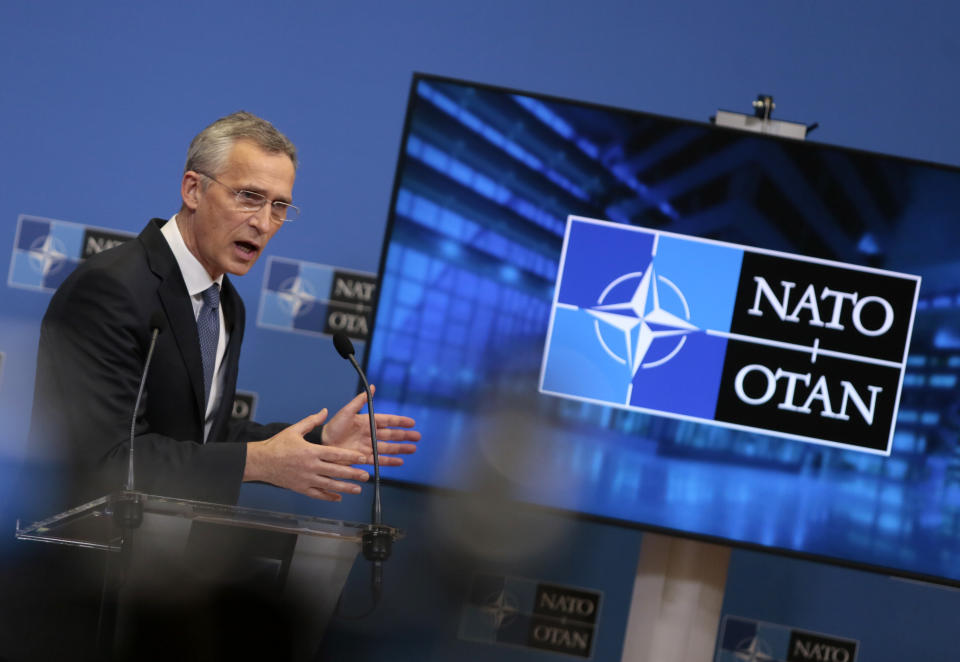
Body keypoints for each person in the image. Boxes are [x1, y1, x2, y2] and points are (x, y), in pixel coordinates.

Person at [25, 111, 420, 513]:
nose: (264, 223)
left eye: (280, 206)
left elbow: (203, 433)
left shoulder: (227, 304)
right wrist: (258, 463)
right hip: (89, 557)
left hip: (174, 557)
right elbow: (104, 458)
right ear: (193, 189)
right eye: (249, 196)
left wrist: (318, 444)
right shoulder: (111, 288)